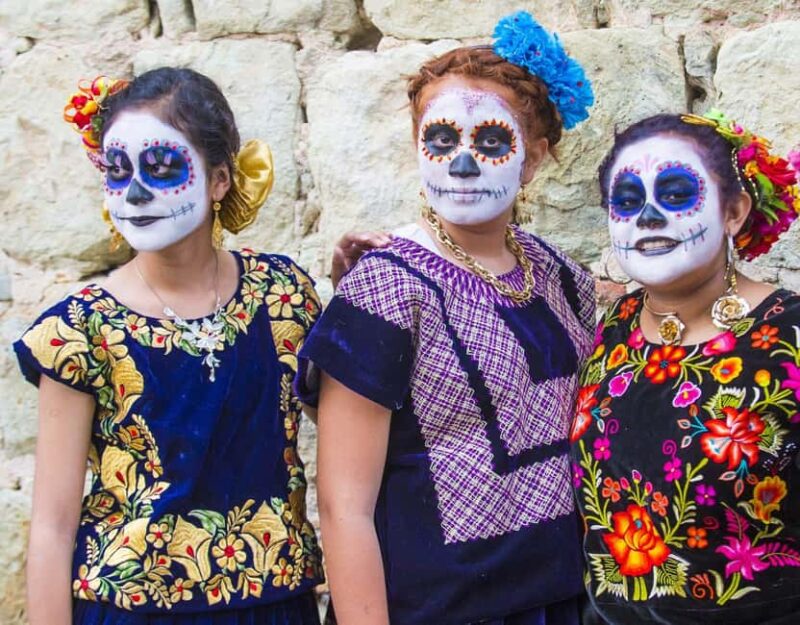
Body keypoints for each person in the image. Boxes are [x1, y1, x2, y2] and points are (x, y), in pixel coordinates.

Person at [14, 67, 367, 625]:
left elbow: (347, 428)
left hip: (272, 606)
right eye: (118, 170)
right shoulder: (80, 330)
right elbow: (53, 526)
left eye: (161, 168)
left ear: (219, 179)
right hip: (128, 611)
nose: (134, 193)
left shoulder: (283, 297)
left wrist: (358, 303)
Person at [297, 12, 597, 625]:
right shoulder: (384, 286)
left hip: (563, 599)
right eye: (441, 140)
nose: (463, 163)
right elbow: (342, 504)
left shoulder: (559, 274)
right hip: (434, 608)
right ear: (417, 148)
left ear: (534, 158)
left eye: (491, 142)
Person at [570, 111, 800, 624]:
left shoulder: (791, 337)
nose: (648, 217)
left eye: (676, 193)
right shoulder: (614, 326)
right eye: (626, 201)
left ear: (734, 211)